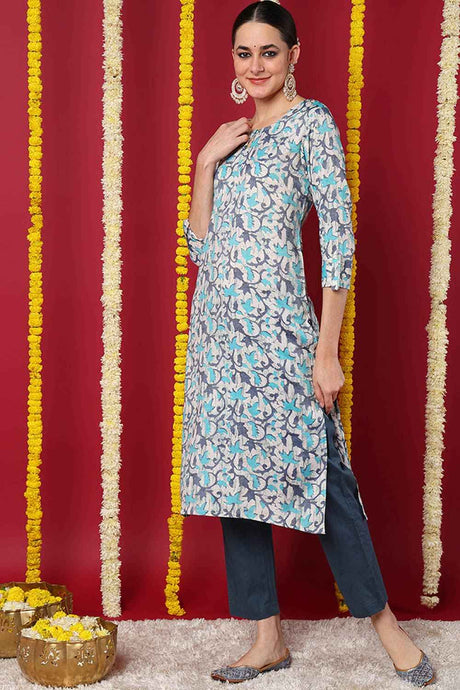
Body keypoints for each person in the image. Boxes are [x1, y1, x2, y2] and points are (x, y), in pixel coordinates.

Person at [179, 1, 436, 686]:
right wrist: (205, 163)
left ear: (294, 54)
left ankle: (387, 627)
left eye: (268, 51)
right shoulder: (231, 138)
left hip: (281, 336)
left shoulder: (311, 125)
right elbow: (202, 249)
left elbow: (340, 240)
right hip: (219, 340)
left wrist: (326, 353)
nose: (255, 65)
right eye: (244, 52)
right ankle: (266, 638)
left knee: (323, 478)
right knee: (234, 485)